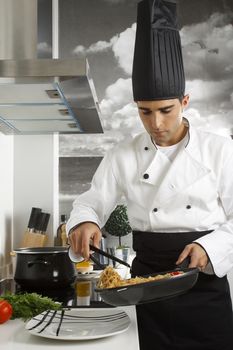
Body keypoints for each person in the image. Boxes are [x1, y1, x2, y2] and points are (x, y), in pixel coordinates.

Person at [67, 0, 233, 349]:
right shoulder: (123, 154)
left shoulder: (220, 150)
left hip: (203, 284)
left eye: (165, 110)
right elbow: (92, 200)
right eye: (145, 112)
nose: (155, 124)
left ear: (185, 101)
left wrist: (209, 245)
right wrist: (85, 222)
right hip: (144, 293)